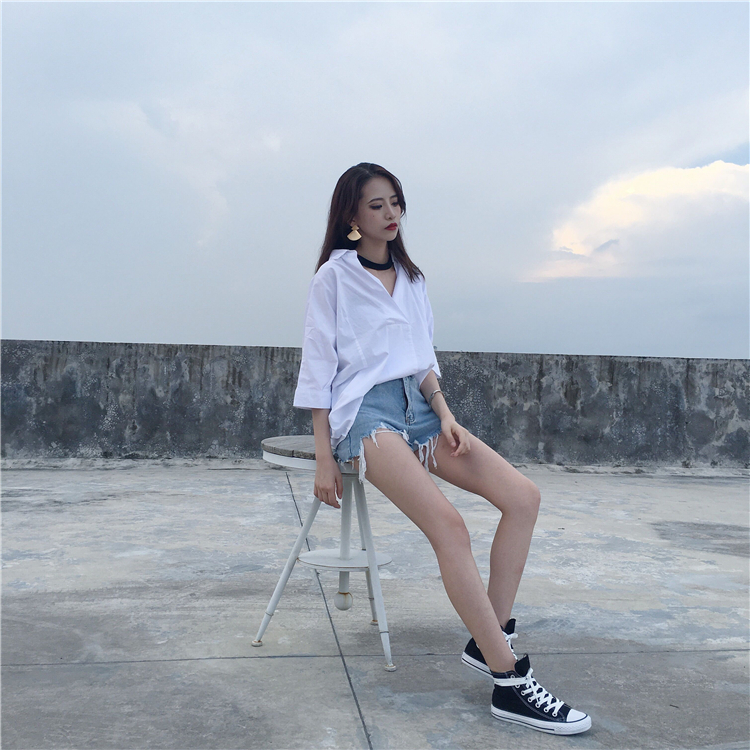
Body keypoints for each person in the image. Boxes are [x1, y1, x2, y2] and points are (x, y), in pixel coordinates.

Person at [293, 162, 591, 736]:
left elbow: (422, 359)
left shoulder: (412, 278)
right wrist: (324, 456)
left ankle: (489, 637)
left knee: (523, 497)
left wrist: (447, 414)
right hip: (368, 415)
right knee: (450, 528)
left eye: (395, 202)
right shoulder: (334, 278)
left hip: (423, 409)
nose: (391, 214)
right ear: (352, 216)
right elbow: (317, 367)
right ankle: (509, 681)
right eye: (376, 205)